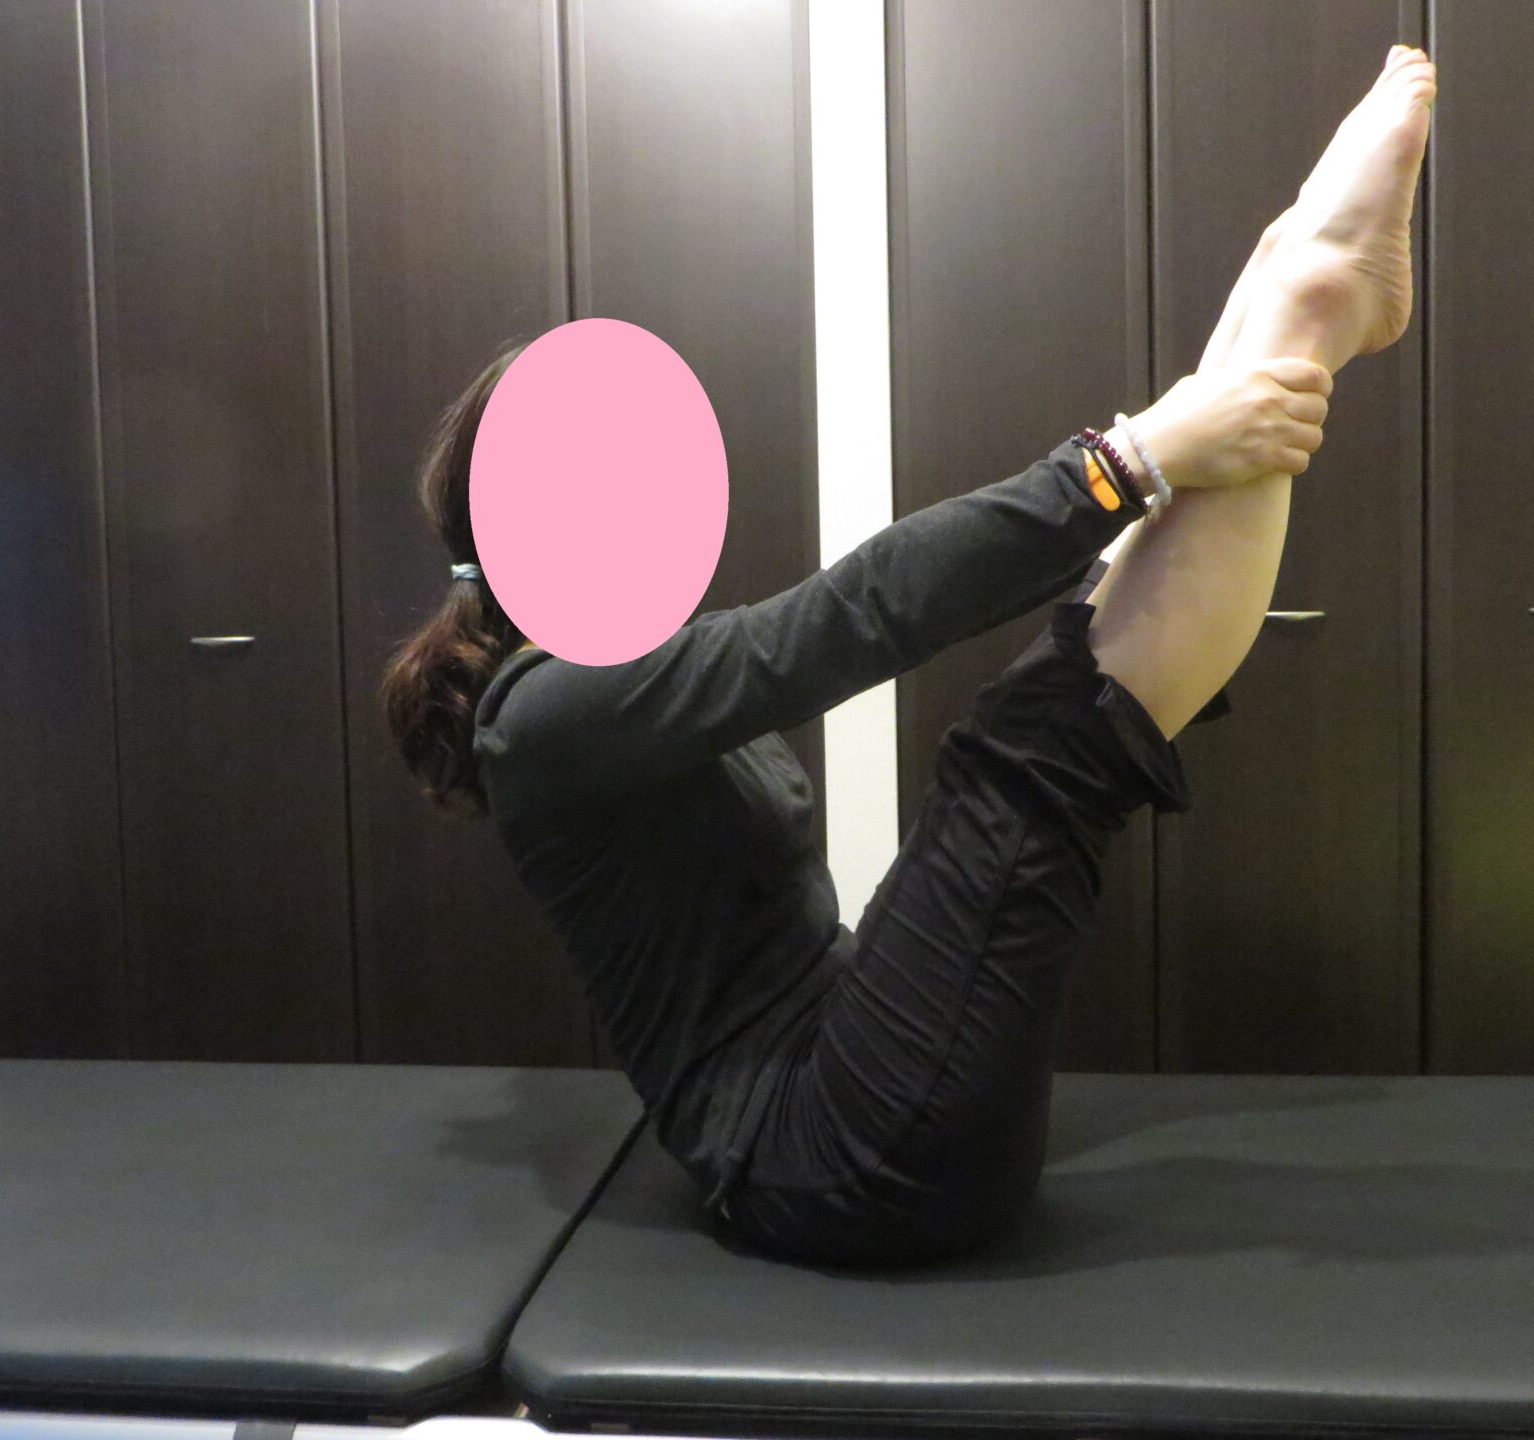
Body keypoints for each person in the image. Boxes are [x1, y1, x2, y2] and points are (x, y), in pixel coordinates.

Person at [383, 47, 1437, 1267]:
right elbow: (847, 619)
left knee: (1066, 674)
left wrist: (1148, 464)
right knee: (1028, 753)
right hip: (821, 1162)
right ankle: (1305, 302)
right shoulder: (545, 715)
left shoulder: (614, 680)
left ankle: (1291, 286)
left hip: (842, 1077)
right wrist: (1125, 461)